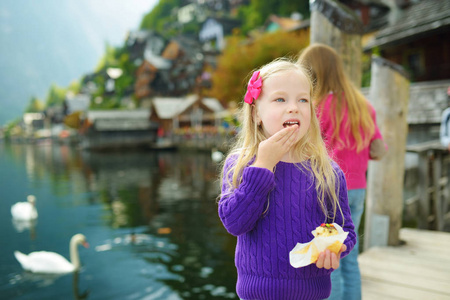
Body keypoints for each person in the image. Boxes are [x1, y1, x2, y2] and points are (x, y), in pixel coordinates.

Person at [218, 58, 357, 300]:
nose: (294, 107)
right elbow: (235, 223)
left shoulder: (327, 171)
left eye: (302, 100)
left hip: (313, 294)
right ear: (256, 114)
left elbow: (345, 229)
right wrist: (263, 166)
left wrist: (336, 247)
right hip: (256, 295)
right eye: (280, 99)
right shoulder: (241, 164)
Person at [298, 43, 387, 300]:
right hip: (358, 188)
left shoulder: (317, 107)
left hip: (329, 190)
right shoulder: (363, 106)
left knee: (328, 259)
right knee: (349, 256)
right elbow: (379, 149)